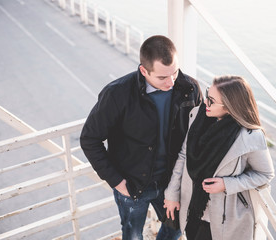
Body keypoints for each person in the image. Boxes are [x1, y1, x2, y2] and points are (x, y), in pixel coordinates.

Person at [80, 35, 202, 240]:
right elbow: (89, 139)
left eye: (174, 73)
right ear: (143, 70)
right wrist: (117, 181)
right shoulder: (116, 93)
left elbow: (196, 137)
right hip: (132, 185)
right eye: (162, 78)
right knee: (133, 235)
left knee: (177, 228)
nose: (171, 82)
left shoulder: (190, 88)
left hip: (172, 183)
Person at [164, 75, 275, 240]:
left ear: (230, 107)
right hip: (191, 208)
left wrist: (227, 184)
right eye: (208, 95)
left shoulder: (251, 136)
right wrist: (172, 193)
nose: (205, 103)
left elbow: (265, 174)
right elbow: (183, 155)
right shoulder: (197, 116)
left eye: (211, 101)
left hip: (222, 219)